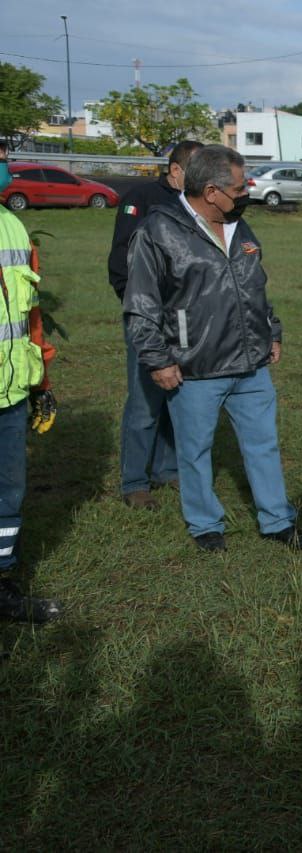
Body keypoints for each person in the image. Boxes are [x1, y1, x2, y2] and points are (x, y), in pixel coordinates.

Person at [124, 145, 302, 553]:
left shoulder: (238, 226)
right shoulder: (158, 231)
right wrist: (158, 359)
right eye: (239, 187)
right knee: (194, 452)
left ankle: (277, 520)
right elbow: (141, 305)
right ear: (211, 191)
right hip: (196, 368)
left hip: (251, 364)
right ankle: (205, 525)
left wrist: (271, 330)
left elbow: (254, 286)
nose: (246, 194)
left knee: (264, 443)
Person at [107, 139, 204, 510]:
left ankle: (168, 469)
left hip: (188, 320)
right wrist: (138, 310)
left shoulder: (197, 204)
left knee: (175, 395)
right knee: (145, 401)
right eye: (195, 170)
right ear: (175, 170)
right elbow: (121, 260)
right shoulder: (142, 197)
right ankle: (135, 481)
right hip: (148, 318)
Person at [0, 148, 63, 623]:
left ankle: (2, 585)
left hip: (11, 390)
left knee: (8, 492)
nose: (4, 162)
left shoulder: (13, 226)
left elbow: (29, 315)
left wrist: (41, 377)